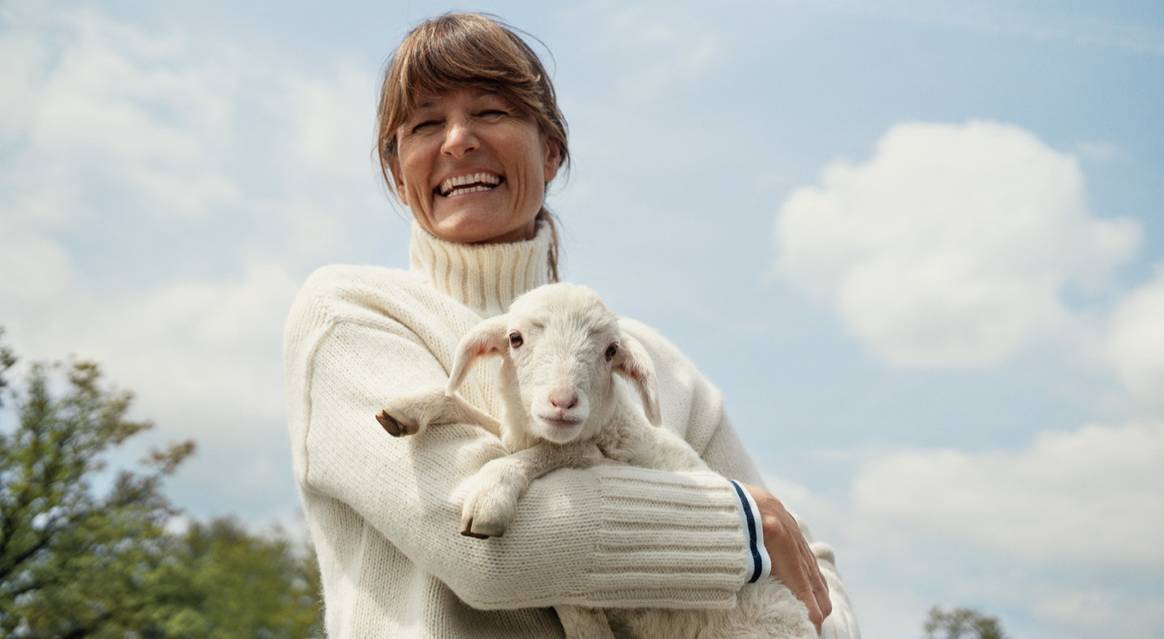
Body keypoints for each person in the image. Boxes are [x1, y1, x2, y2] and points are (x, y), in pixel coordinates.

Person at [283, 12, 860, 639]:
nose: (457, 141)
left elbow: (809, 565)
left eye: (492, 112)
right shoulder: (351, 315)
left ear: (551, 149)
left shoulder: (651, 362)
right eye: (425, 124)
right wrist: (742, 528)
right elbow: (486, 549)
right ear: (398, 171)